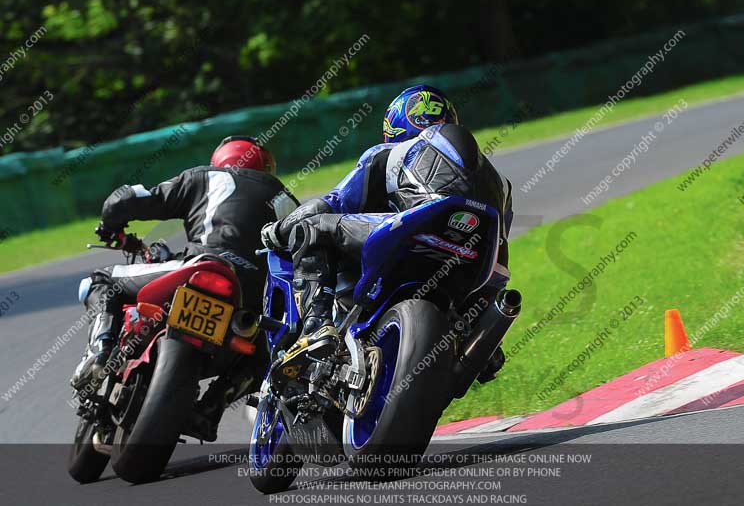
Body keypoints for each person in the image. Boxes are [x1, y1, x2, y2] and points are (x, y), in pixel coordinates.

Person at [261, 85, 513, 381]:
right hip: (474, 266)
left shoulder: (391, 151)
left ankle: (316, 327)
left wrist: (277, 230)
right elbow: (500, 255)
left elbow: (331, 203)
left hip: (415, 231)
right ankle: (481, 342)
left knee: (313, 228)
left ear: (395, 125)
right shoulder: (500, 181)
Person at [71, 136, 298, 435]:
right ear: (267, 167)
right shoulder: (287, 200)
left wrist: (111, 224)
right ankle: (212, 406)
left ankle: (100, 353)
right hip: (256, 294)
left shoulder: (206, 177)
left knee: (100, 280)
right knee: (275, 345)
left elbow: (126, 200)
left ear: (220, 159)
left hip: (205, 264)